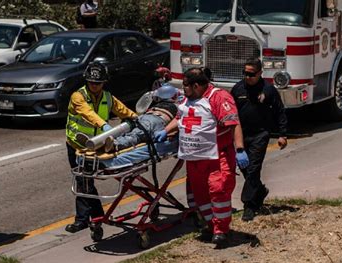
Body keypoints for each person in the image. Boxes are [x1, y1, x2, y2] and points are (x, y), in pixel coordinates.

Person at [154, 68, 248, 248]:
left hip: (216, 156)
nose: (184, 90)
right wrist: (165, 131)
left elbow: (233, 123)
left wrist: (240, 149)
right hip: (195, 158)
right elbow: (180, 117)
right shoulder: (186, 99)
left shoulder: (219, 98)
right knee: (200, 194)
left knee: (218, 190)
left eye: (186, 86)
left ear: (196, 85)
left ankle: (222, 231)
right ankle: (211, 226)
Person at [65, 61, 137, 233]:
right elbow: (88, 114)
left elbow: (124, 111)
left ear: (104, 82)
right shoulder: (78, 96)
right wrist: (105, 126)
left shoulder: (107, 97)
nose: (94, 86)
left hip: (96, 147)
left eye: (97, 83)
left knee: (86, 182)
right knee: (84, 181)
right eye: (91, 82)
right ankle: (87, 219)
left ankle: (92, 218)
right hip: (77, 145)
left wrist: (137, 119)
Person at [230, 57, 288, 222]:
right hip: (241, 135)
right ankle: (260, 191)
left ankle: (249, 206)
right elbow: (230, 113)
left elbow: (280, 112)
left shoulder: (268, 89)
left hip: (260, 134)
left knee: (254, 168)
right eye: (245, 73)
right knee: (246, 169)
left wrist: (283, 134)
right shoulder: (238, 89)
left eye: (251, 74)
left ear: (260, 73)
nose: (247, 77)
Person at [104, 84, 179, 152]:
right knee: (134, 132)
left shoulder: (160, 104)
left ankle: (112, 143)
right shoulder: (178, 106)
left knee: (132, 131)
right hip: (153, 119)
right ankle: (111, 142)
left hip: (148, 118)